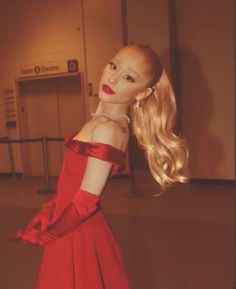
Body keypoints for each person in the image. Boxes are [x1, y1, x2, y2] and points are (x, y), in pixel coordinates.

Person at [10, 43, 189, 289]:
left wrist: (48, 236)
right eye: (114, 66)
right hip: (70, 225)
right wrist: (49, 209)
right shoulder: (102, 121)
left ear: (142, 93)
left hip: (77, 232)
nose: (113, 78)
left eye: (128, 77)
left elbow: (84, 203)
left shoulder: (108, 129)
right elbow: (72, 186)